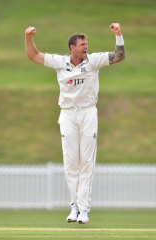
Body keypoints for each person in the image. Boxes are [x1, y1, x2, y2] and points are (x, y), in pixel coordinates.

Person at [25, 23, 125, 224]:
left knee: (86, 163)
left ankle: (85, 210)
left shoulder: (94, 60)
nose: (86, 47)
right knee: (71, 163)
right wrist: (28, 37)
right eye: (82, 44)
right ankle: (74, 207)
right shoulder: (60, 62)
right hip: (68, 114)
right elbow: (33, 56)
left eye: (87, 44)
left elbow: (119, 56)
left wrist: (118, 35)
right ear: (72, 47)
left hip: (88, 113)